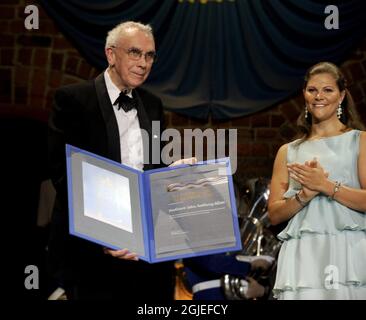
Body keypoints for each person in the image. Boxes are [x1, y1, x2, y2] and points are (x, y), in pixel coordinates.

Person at [48, 21, 179, 300]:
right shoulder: (73, 100)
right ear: (111, 55)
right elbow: (64, 175)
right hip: (92, 252)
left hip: (144, 252)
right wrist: (104, 232)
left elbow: (153, 169)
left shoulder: (153, 105)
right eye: (134, 52)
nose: (143, 63)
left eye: (149, 55)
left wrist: (173, 174)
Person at [268, 62, 366, 300]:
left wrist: (326, 186)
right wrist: (304, 195)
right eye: (312, 90)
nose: (319, 96)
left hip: (348, 252)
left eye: (327, 90)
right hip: (303, 254)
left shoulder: (359, 141)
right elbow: (274, 214)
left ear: (341, 95)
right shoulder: (288, 151)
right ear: (304, 95)